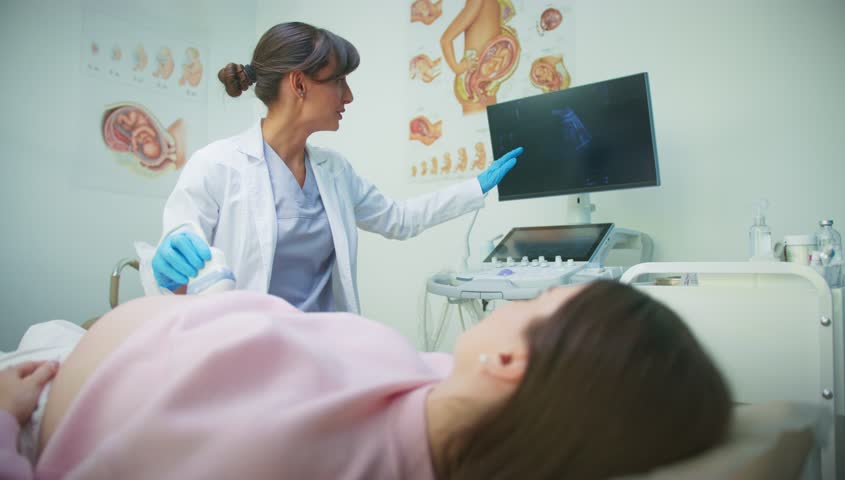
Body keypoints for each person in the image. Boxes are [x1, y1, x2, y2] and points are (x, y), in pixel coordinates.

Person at [0, 281, 732, 479]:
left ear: (510, 364)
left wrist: (5, 417)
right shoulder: (451, 398)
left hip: (42, 400)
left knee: (38, 336)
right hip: (127, 338)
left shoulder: (279, 459)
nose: (512, 301)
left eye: (536, 301)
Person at [149, 21, 525, 313]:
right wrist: (167, 268)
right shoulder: (216, 166)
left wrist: (475, 186)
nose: (349, 96)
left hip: (324, 350)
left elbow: (399, 219)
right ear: (299, 84)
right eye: (339, 81)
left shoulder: (334, 171)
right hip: (248, 354)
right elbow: (179, 260)